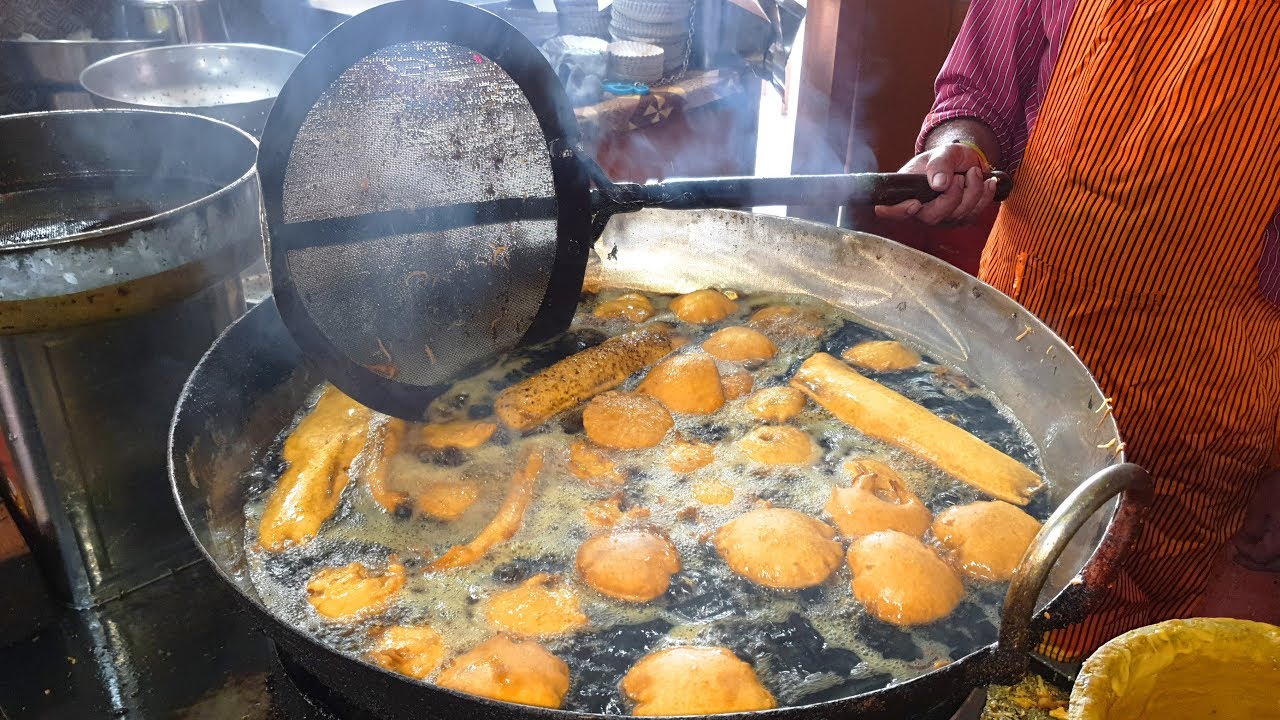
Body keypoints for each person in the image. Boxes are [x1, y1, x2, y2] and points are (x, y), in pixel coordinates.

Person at [877, 0, 1280, 661]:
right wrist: (960, 150)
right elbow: (980, 88)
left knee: (1129, 649)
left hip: (1204, 391)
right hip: (1019, 343)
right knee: (959, 582)